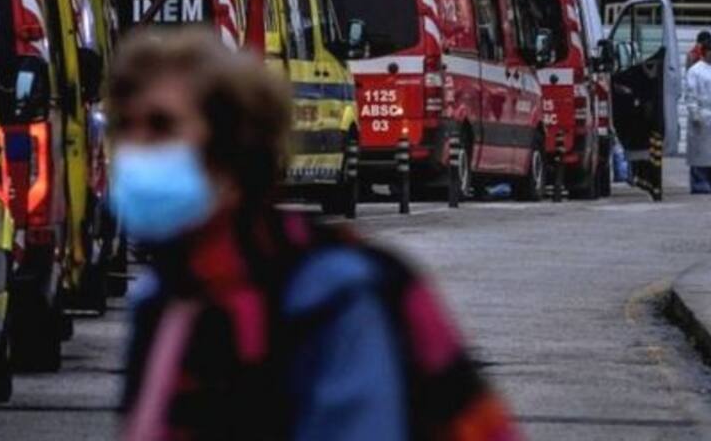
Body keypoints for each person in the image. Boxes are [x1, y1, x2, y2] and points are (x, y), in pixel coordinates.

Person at [108, 28, 518, 441]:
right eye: (125, 125)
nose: (136, 146)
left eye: (162, 126)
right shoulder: (164, 297)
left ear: (231, 144)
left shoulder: (330, 291)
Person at [685, 41, 711, 194]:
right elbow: (690, 94)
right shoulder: (695, 71)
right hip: (701, 116)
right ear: (705, 52)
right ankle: (699, 182)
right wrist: (695, 113)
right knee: (700, 154)